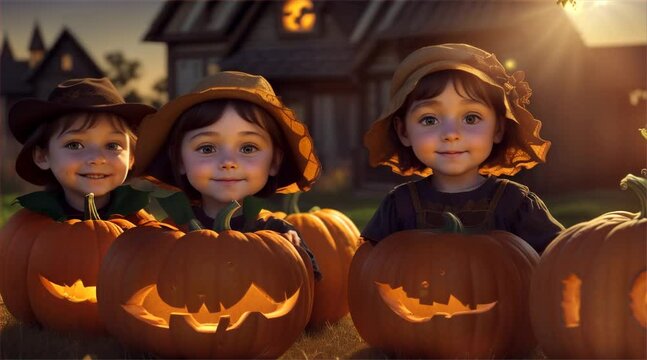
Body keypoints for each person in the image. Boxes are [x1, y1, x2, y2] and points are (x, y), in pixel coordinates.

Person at [362, 43, 564, 253]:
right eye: (429, 120)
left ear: (498, 128)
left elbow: (559, 264)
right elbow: (368, 270)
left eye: (471, 118)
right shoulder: (398, 207)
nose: (450, 134)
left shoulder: (516, 205)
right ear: (403, 131)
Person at [133, 70, 322, 278]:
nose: (228, 163)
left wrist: (292, 252)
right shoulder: (168, 234)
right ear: (179, 160)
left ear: (274, 161)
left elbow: (309, 286)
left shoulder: (276, 231)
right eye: (207, 148)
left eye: (248, 148)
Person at [7, 77, 157, 224]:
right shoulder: (28, 227)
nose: (97, 158)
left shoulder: (143, 230)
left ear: (132, 157)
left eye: (112, 146)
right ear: (42, 156)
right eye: (74, 145)